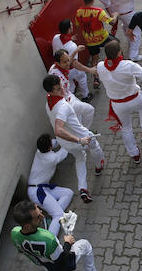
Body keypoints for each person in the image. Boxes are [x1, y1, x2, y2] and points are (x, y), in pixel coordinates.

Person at [43, 72, 105, 203]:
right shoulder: (63, 106)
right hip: (81, 137)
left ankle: (83, 188)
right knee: (96, 148)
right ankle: (99, 166)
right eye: (58, 89)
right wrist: (79, 140)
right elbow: (58, 130)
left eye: (61, 86)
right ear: (51, 91)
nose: (62, 89)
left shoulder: (48, 104)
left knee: (80, 158)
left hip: (66, 143)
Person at [97, 39, 142, 162]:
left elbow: (96, 71)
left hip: (118, 104)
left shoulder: (100, 66)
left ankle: (134, 154)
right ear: (120, 52)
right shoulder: (129, 65)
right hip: (135, 98)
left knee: (126, 128)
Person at [26, 133, 75, 236]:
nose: (52, 141)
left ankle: (52, 213)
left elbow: (55, 142)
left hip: (43, 187)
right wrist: (70, 137)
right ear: (49, 147)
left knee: (68, 193)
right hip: (36, 192)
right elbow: (64, 151)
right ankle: (51, 240)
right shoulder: (51, 158)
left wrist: (61, 136)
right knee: (59, 215)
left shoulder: (39, 151)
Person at [75, 0, 114, 65]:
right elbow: (112, 22)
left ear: (84, 0)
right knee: (115, 45)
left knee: (95, 57)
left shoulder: (78, 12)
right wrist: (115, 15)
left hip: (89, 40)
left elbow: (77, 25)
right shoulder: (98, 11)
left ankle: (95, 75)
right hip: (102, 37)